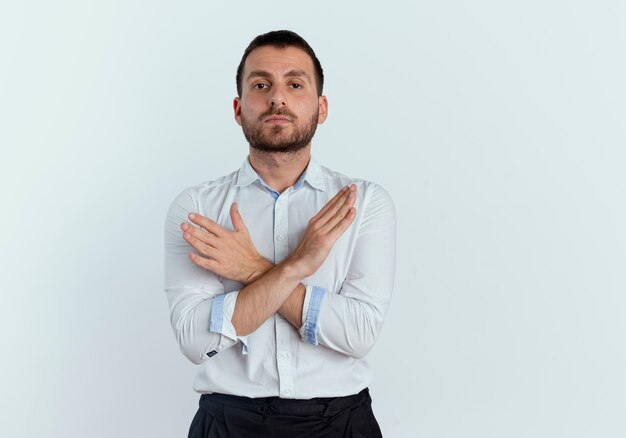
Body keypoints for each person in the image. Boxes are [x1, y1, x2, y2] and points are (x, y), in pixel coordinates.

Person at [164, 30, 396, 438]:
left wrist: (251, 268)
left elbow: (358, 334)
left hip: (342, 424)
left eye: (294, 83)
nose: (277, 98)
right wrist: (297, 266)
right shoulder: (196, 209)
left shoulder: (362, 204)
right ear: (238, 109)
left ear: (321, 108)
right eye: (260, 85)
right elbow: (196, 341)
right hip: (227, 423)